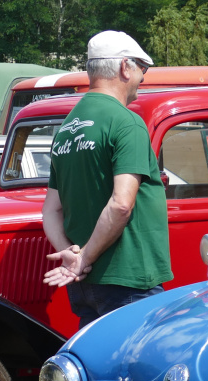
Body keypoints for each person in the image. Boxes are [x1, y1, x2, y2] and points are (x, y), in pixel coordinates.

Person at [41, 30, 172, 328]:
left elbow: (51, 209)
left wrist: (71, 255)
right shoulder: (126, 122)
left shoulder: (67, 127)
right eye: (142, 68)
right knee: (135, 367)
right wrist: (84, 257)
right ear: (125, 67)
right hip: (128, 277)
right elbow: (121, 204)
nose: (143, 76)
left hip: (84, 283)